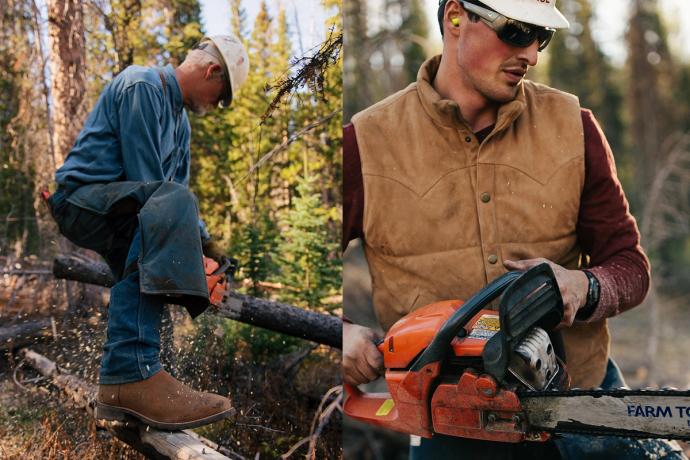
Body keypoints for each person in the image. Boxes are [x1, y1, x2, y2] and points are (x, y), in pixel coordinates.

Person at [342, 0, 685, 458]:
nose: (533, 55)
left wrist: (581, 287)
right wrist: (340, 333)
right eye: (518, 31)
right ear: (456, 17)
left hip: (579, 410)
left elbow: (631, 267)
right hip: (452, 430)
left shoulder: (573, 127)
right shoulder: (367, 143)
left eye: (542, 36)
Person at [48, 35, 249, 430]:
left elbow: (175, 197)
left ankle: (132, 383)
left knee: (143, 261)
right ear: (212, 71)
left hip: (123, 208)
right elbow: (154, 188)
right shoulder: (142, 86)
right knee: (165, 212)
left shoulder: (181, 125)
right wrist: (191, 253)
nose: (213, 107)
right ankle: (131, 372)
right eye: (219, 97)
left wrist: (208, 251)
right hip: (81, 200)